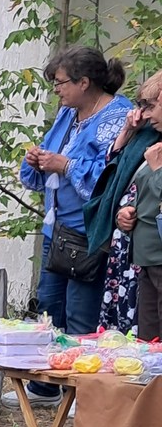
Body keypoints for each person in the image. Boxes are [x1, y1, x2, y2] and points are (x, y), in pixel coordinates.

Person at [19, 46, 133, 339]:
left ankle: (79, 372)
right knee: (48, 314)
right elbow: (51, 151)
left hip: (88, 237)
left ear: (84, 82)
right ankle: (45, 372)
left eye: (60, 82)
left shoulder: (118, 117)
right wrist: (37, 159)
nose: (56, 89)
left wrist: (66, 166)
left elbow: (112, 178)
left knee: (79, 321)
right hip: (56, 234)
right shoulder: (68, 113)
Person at [94, 73, 162, 334]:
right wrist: (125, 212)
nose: (144, 114)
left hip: (155, 254)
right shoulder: (148, 138)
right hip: (140, 255)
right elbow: (118, 180)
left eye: (150, 106)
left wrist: (157, 170)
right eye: (141, 106)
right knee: (146, 339)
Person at [126, 139, 162, 342]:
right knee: (149, 342)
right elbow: (146, 195)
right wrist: (127, 212)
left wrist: (158, 169)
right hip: (147, 257)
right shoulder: (151, 141)